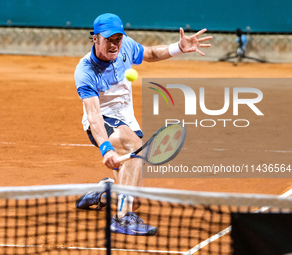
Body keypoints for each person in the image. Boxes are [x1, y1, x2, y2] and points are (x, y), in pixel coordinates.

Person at [74, 13, 212, 236]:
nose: (114, 44)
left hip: (127, 120)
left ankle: (103, 192)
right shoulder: (85, 70)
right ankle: (121, 220)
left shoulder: (125, 46)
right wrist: (105, 148)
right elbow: (93, 115)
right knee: (133, 144)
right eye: (109, 39)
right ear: (95, 39)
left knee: (134, 200)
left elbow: (149, 53)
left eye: (118, 38)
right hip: (103, 122)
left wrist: (178, 47)